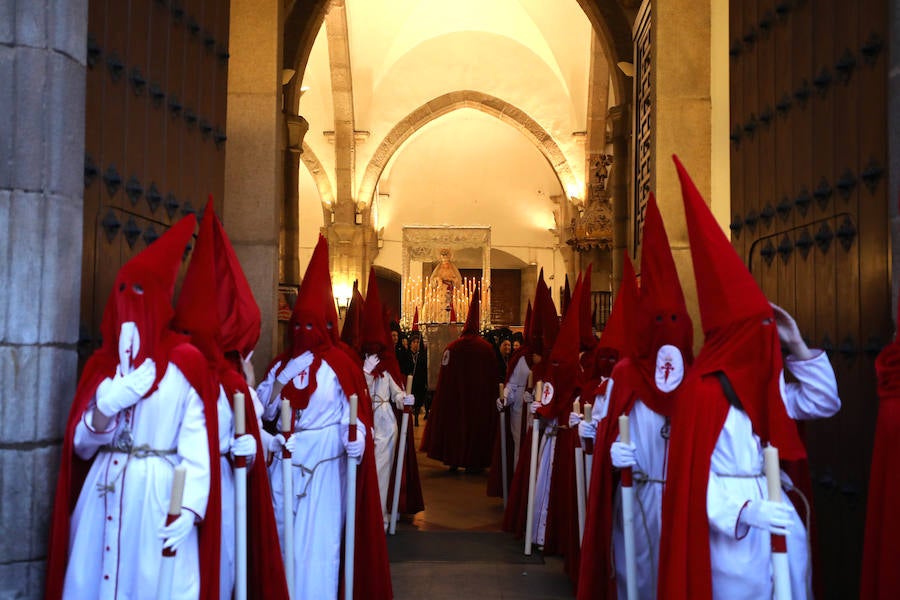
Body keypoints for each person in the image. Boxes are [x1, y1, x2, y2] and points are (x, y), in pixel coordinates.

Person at [657, 157, 840, 600]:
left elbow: (823, 402)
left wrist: (797, 346)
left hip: (777, 521)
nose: (766, 341)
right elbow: (691, 480)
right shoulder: (701, 394)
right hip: (733, 535)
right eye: (757, 330)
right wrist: (744, 510)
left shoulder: (767, 387)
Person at [46, 216, 221, 600]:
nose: (129, 297)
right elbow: (80, 447)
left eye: (140, 289)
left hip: (156, 501)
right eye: (123, 289)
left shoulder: (184, 364)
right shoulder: (104, 366)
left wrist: (190, 508)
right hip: (103, 493)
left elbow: (196, 450)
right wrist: (105, 407)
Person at [257, 235, 392, 600]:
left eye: (310, 326)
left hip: (325, 466)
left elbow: (357, 416)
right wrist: (277, 384)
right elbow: (265, 410)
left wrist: (357, 438)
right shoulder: (280, 366)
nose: (302, 333)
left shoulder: (341, 366)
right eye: (297, 326)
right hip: (285, 461)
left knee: (319, 546)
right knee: (282, 536)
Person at [576, 194, 693, 600]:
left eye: (673, 321)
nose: (666, 330)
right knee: (635, 574)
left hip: (682, 498)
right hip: (637, 490)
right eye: (658, 321)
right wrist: (612, 452)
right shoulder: (625, 375)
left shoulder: (695, 379)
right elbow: (605, 429)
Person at [172, 202, 288, 599]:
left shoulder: (236, 387)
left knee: (225, 569)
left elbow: (251, 429)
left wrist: (260, 446)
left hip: (225, 487)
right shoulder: (175, 377)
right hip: (178, 491)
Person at [359, 267, 415, 530]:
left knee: (382, 468)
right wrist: (367, 372)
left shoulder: (388, 365)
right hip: (363, 420)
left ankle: (378, 512)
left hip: (384, 423)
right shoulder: (360, 366)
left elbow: (396, 392)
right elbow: (358, 389)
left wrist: (406, 398)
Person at [421, 290, 499, 471]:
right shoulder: (486, 349)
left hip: (454, 398)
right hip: (479, 401)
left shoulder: (452, 347)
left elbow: (444, 376)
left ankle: (453, 459)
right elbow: (492, 377)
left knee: (455, 427)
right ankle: (474, 462)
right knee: (476, 428)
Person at [407, 331, 429, 426]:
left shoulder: (422, 356)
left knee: (418, 400)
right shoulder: (407, 354)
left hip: (419, 381)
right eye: (414, 342)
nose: (416, 344)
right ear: (410, 343)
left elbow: (424, 369)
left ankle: (416, 416)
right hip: (410, 382)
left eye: (417, 342)